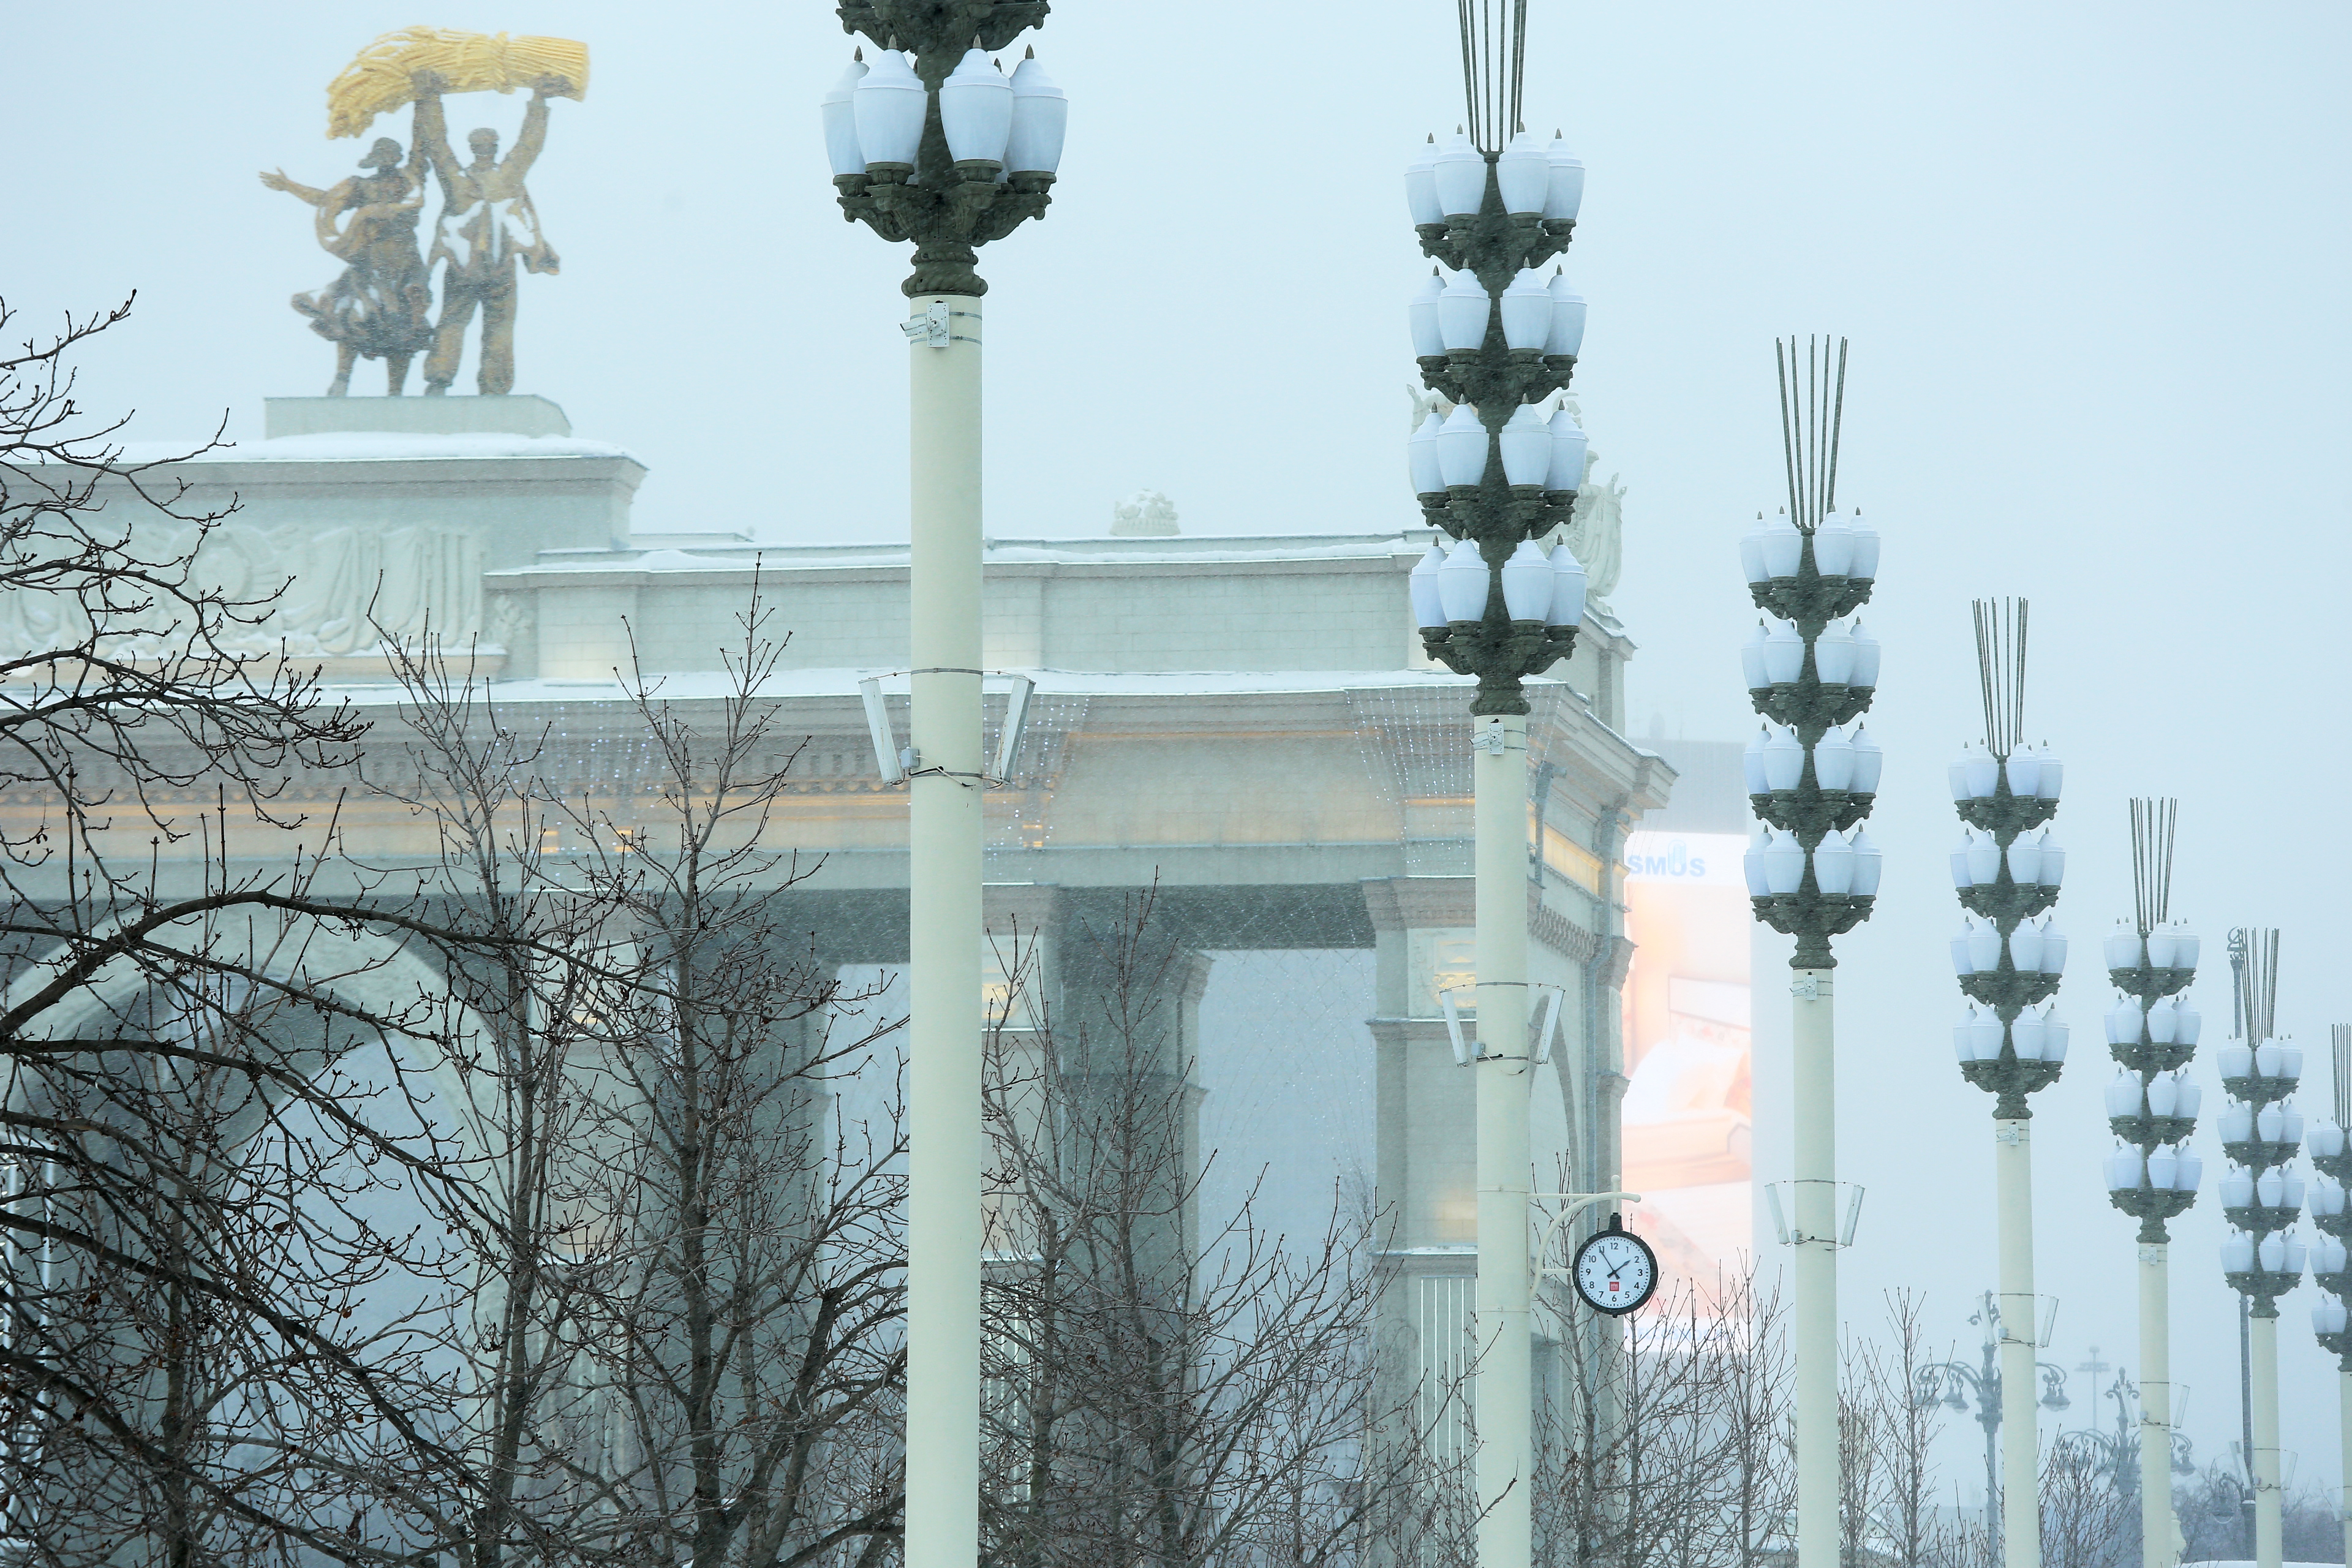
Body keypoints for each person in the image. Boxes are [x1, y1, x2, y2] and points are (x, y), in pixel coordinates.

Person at [410, 70, 565, 396]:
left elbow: (438, 146)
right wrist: (539, 100)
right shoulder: (504, 176)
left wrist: (430, 100)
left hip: (472, 270)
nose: (484, 151)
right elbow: (529, 145)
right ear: (493, 149)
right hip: (488, 269)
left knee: (458, 324)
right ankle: (486, 386)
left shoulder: (460, 180)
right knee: (494, 329)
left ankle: (442, 380)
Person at [259, 129, 435, 395]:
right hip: (371, 261)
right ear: (375, 158)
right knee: (351, 317)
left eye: (391, 154)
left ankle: (396, 392)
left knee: (405, 324)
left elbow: (423, 146)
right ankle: (342, 378)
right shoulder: (362, 186)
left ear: (398, 157)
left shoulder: (411, 181)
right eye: (382, 154)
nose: (387, 159)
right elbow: (326, 200)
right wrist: (290, 186)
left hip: (405, 263)